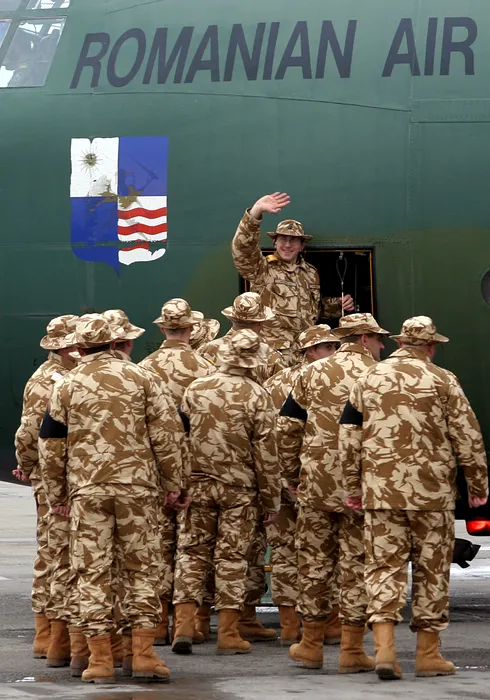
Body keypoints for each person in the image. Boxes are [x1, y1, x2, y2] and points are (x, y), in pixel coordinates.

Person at [339, 316, 489, 681]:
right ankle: (427, 655)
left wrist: (353, 486)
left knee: (383, 568)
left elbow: (348, 435)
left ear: (399, 343)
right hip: (432, 495)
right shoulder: (443, 380)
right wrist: (478, 486)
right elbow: (468, 436)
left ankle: (385, 650)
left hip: (381, 492)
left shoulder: (368, 378)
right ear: (431, 347)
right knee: (431, 571)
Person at [39, 314, 186, 683]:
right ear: (116, 342)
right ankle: (142, 655)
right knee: (142, 569)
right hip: (138, 489)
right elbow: (167, 434)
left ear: (79, 347)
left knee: (92, 572)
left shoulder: (66, 385)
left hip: (87, 491)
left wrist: (57, 492)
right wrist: (174, 483)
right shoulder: (142, 378)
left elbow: (51, 445)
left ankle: (99, 660)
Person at [277, 313, 389, 671]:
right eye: (378, 339)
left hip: (317, 484)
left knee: (313, 563)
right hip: (364, 488)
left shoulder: (311, 372)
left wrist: (292, 475)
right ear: (364, 338)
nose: (381, 345)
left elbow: (287, 427)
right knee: (356, 565)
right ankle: (352, 649)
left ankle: (310, 645)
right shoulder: (379, 375)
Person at [172, 330, 281, 655]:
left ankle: (185, 627)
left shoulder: (196, 389)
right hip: (239, 491)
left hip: (198, 486)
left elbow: (179, 438)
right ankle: (228, 633)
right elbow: (266, 454)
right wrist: (271, 499)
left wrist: (180, 483)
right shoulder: (257, 395)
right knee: (232, 558)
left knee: (191, 554)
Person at [139, 299, 214, 644]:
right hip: (197, 469)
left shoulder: (144, 369)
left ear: (161, 327)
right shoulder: (207, 369)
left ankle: (157, 624)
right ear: (191, 328)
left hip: (156, 470)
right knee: (192, 548)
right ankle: (189, 624)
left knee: (158, 545)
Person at [263, 324, 340, 647]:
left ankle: (290, 625)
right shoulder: (331, 379)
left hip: (284, 475)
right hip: (315, 478)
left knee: (285, 549)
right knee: (323, 551)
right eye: (327, 347)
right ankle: (324, 623)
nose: (333, 352)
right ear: (310, 351)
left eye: (334, 346)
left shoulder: (274, 383)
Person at [13, 315, 78, 663]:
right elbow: (29, 432)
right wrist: (28, 466)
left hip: (63, 477)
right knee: (55, 551)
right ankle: (50, 634)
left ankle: (52, 634)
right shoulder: (47, 381)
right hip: (54, 479)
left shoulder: (63, 376)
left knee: (58, 551)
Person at [231, 192, 354, 363]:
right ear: (275, 242)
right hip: (274, 357)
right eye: (283, 239)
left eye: (293, 240)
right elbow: (243, 249)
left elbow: (313, 311)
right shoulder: (262, 268)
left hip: (305, 355)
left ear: (302, 246)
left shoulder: (310, 273)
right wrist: (255, 213)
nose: (287, 245)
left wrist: (339, 305)